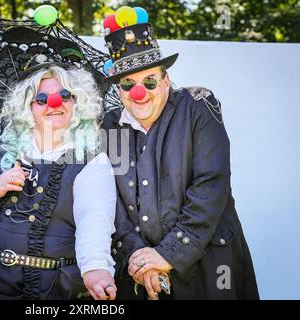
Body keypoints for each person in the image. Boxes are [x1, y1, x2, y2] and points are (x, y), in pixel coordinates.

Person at [100, 7, 259, 299]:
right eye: (128, 84)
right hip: (140, 276)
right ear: (119, 90)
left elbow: (211, 183)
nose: (140, 92)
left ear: (165, 80)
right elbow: (113, 199)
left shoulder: (198, 105)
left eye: (149, 81)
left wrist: (169, 254)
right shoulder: (110, 126)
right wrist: (140, 258)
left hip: (209, 268)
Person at [0, 60, 117, 300]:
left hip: (47, 288)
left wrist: (96, 269)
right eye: (41, 99)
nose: (54, 103)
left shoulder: (92, 161)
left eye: (64, 95)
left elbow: (95, 221)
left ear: (77, 103)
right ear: (28, 107)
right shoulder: (4, 146)